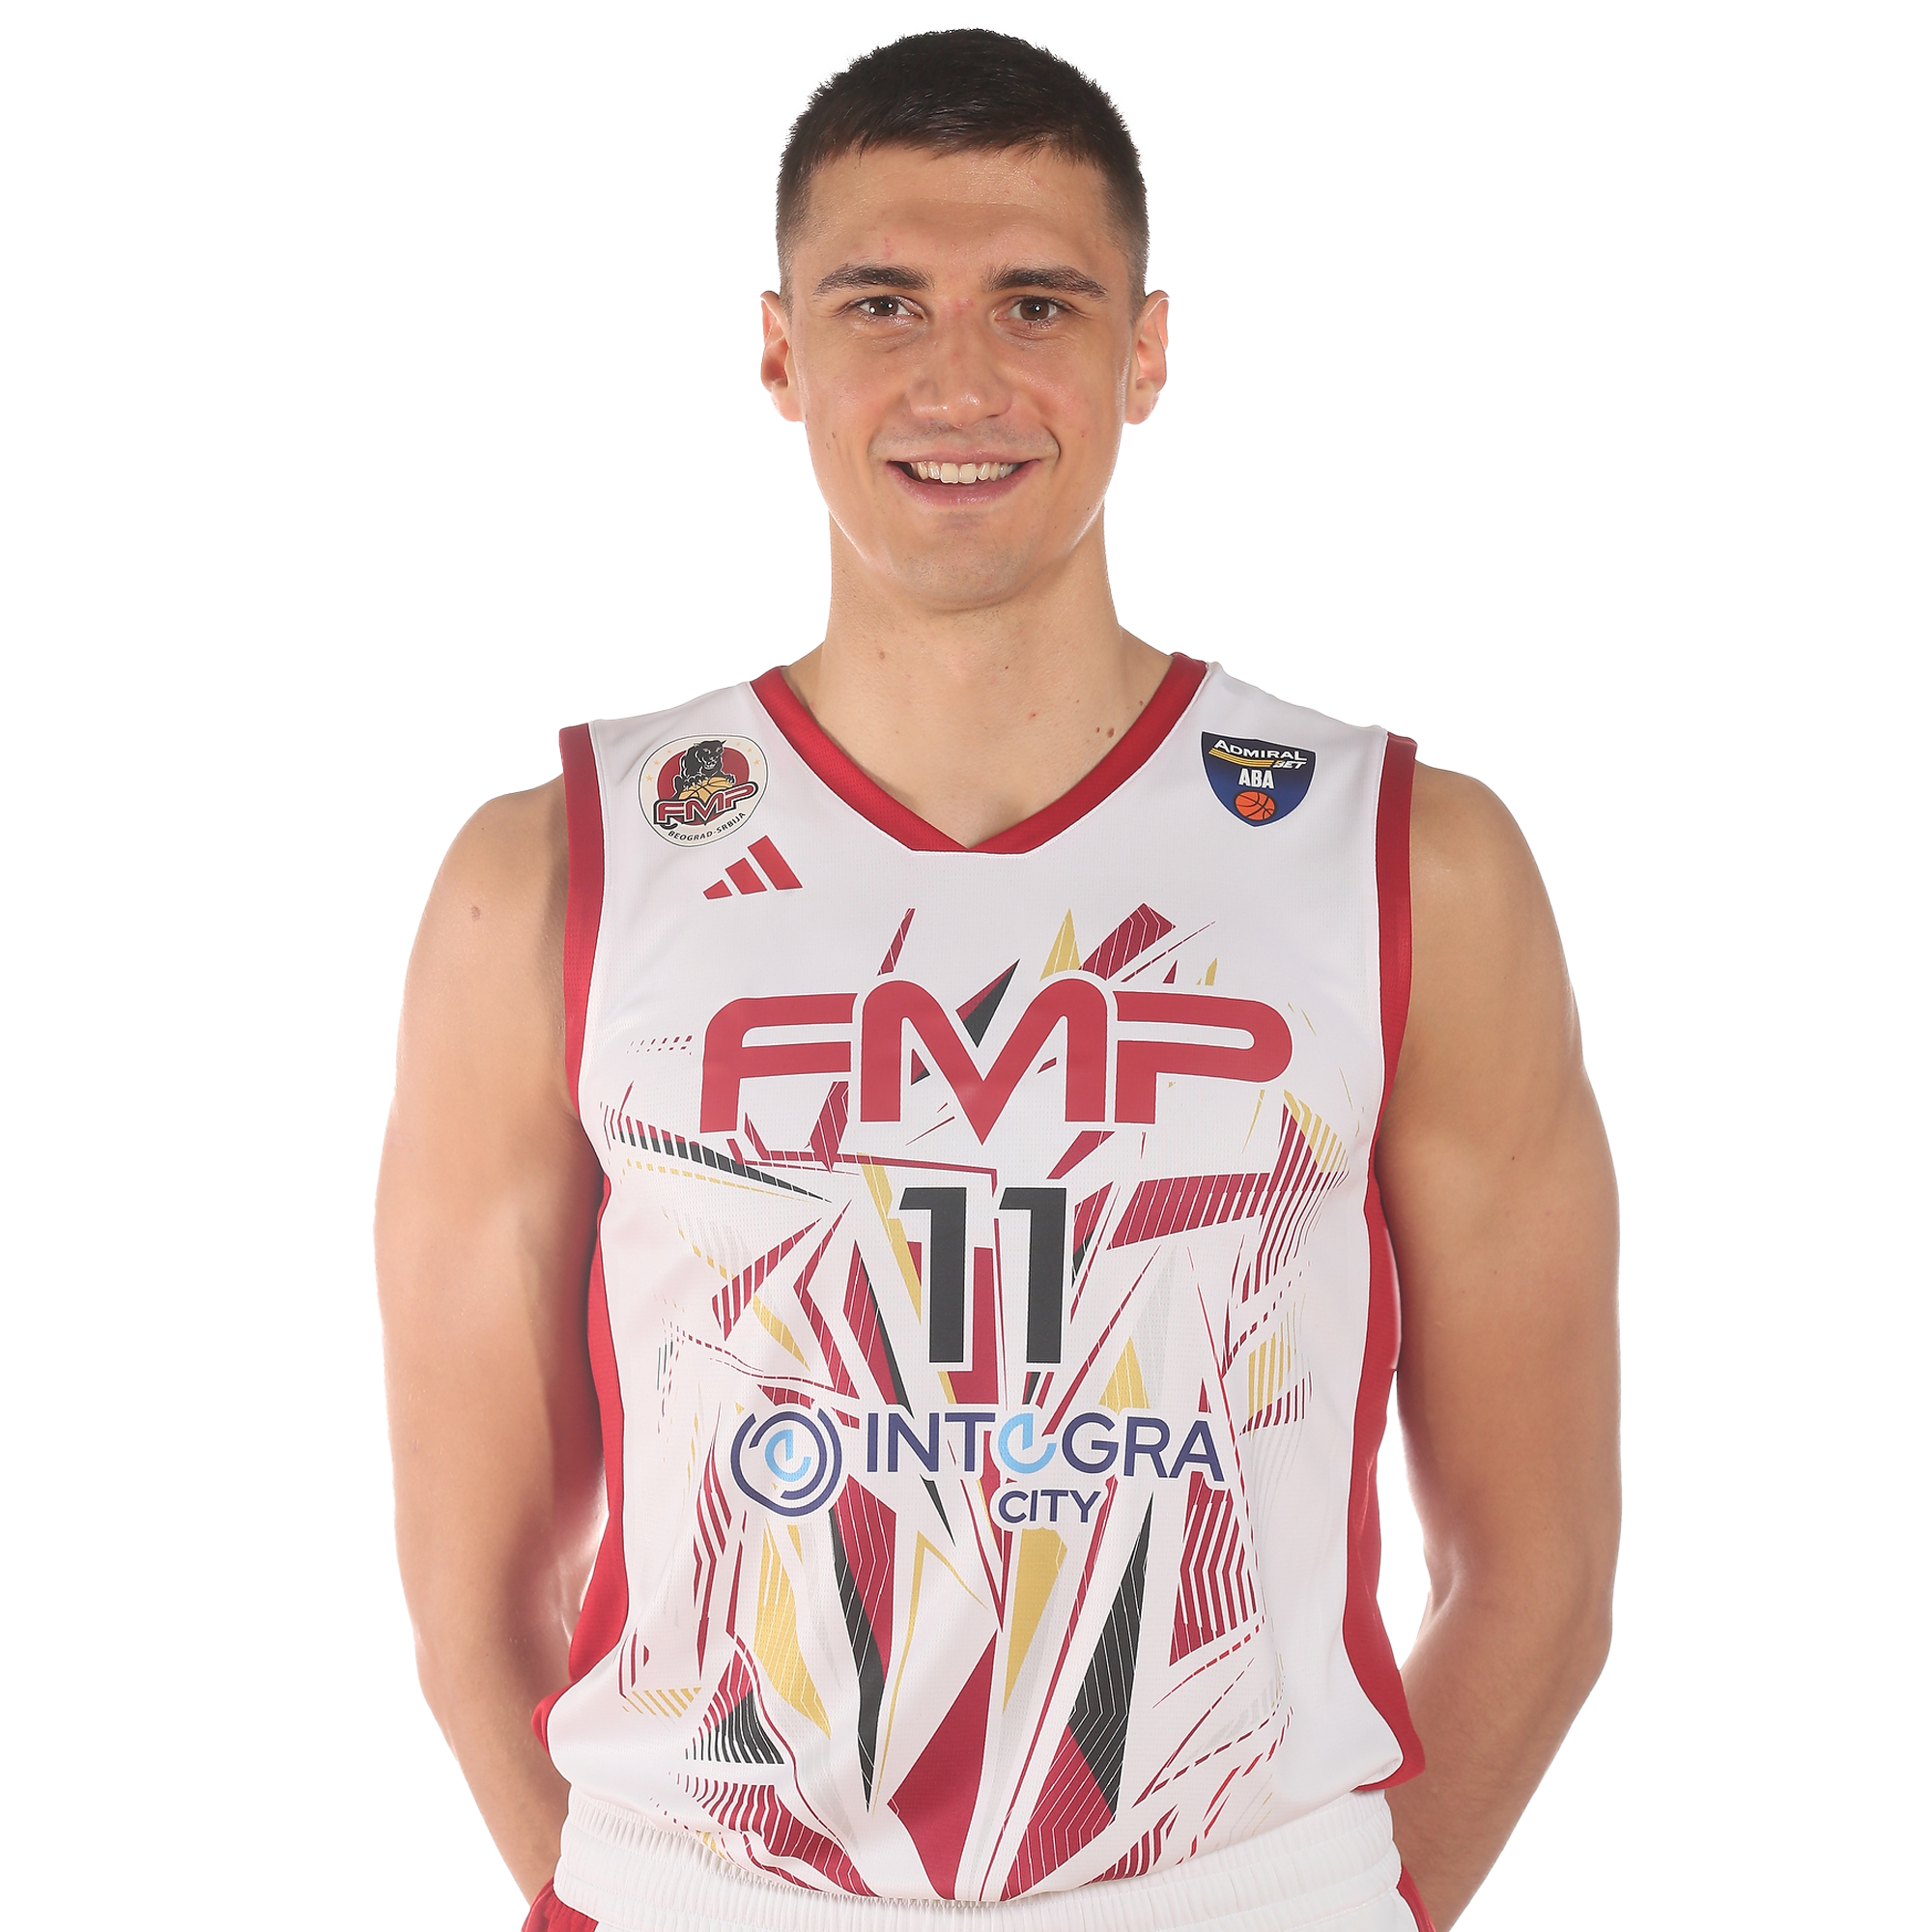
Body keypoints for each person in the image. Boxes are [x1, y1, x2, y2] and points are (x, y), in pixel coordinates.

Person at [375, 29, 1617, 1932]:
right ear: (780, 352)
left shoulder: (1403, 860)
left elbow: (1540, 1566)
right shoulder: (554, 870)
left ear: (1146, 353)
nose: (958, 381)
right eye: (882, 302)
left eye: (1037, 302)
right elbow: (470, 1583)